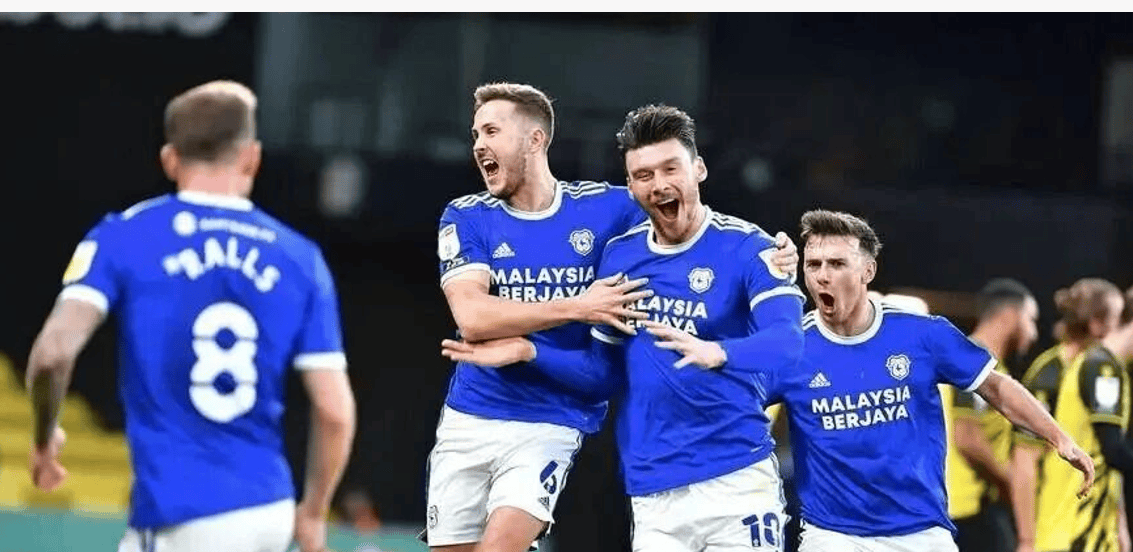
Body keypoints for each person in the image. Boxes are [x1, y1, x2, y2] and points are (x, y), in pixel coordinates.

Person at [441, 103, 806, 552]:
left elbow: (789, 342)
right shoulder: (622, 258)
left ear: (699, 169)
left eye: (670, 168)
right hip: (652, 489)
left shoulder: (751, 248)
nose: (659, 184)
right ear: (631, 187)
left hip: (736, 478)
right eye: (644, 175)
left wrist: (719, 352)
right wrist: (530, 352)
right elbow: (603, 374)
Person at [24, 80, 355, 552]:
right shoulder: (301, 258)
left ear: (169, 159)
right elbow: (334, 410)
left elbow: (53, 354)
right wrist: (314, 511)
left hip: (182, 517)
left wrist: (43, 436)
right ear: (252, 158)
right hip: (270, 511)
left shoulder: (124, 235)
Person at [759, 209, 1093, 552]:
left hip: (920, 532)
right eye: (813, 265)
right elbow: (738, 405)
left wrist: (1059, 438)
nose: (822, 276)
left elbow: (997, 387)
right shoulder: (789, 348)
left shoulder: (922, 335)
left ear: (868, 271)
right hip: (833, 535)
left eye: (837, 264)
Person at [1010, 278, 1126, 552]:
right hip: (1059, 529)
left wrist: (1121, 529)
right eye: (1118, 319)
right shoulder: (1049, 373)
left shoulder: (1104, 371)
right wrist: (1026, 539)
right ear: (1097, 324)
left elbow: (1107, 460)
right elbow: (1024, 461)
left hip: (1098, 531)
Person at [943, 278, 1039, 552]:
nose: (1033, 332)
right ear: (1010, 315)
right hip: (966, 510)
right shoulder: (972, 360)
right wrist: (1009, 483)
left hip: (966, 508)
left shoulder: (981, 362)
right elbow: (967, 437)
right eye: (1030, 320)